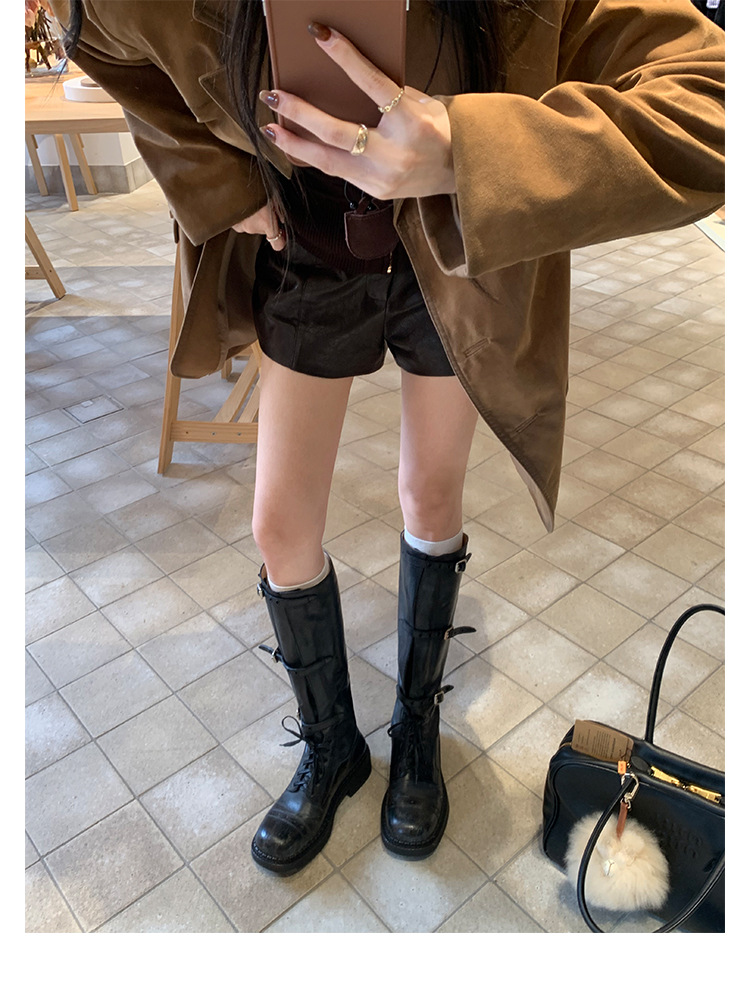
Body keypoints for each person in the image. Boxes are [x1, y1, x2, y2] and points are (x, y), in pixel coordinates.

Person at [52, 0, 724, 876]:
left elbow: (715, 99)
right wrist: (223, 187)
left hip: (451, 251)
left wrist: (471, 151)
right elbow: (94, 33)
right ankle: (332, 746)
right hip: (305, 241)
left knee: (431, 496)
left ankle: (417, 728)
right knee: (279, 528)